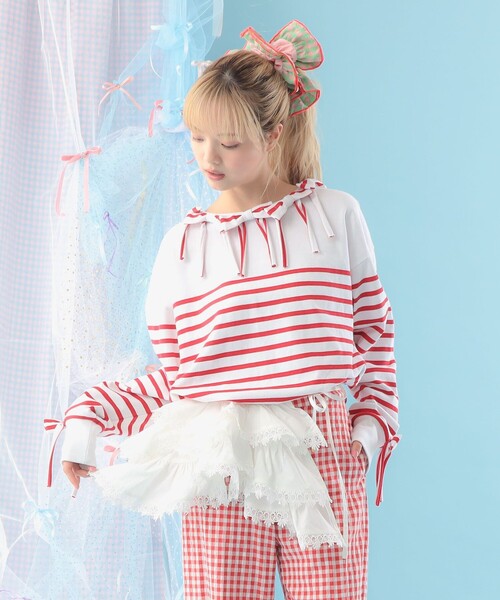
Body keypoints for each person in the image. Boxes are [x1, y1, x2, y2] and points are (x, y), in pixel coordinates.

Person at [44, 19, 400, 600]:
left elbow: (376, 333)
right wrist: (91, 416)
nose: (208, 158)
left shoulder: (336, 216)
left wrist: (366, 433)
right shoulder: (182, 247)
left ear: (275, 132)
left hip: (323, 446)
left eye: (229, 143)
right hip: (219, 456)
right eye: (197, 138)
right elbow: (181, 379)